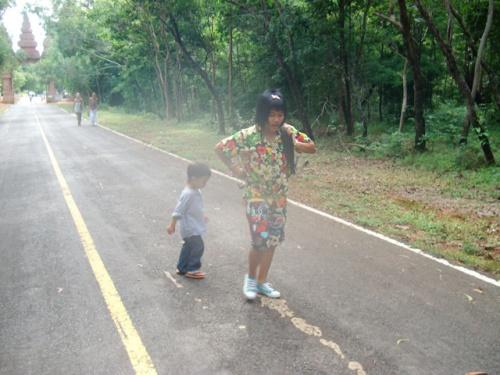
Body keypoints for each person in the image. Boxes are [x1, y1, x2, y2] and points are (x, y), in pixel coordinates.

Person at [215, 88, 316, 300]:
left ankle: (262, 282)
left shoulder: (287, 132)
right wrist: (236, 169)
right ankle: (250, 280)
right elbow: (220, 148)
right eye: (271, 115)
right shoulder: (249, 135)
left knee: (272, 240)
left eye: (280, 114)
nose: (276, 119)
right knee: (259, 239)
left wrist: (295, 144)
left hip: (279, 197)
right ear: (262, 114)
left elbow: (312, 147)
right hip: (256, 194)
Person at [167, 162, 212, 279]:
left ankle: (182, 268)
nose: (205, 184)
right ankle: (192, 269)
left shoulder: (195, 191)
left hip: (192, 226)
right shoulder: (188, 194)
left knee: (188, 247)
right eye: (204, 181)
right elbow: (179, 210)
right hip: (191, 228)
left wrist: (202, 216)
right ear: (194, 178)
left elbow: (195, 208)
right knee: (198, 246)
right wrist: (172, 225)